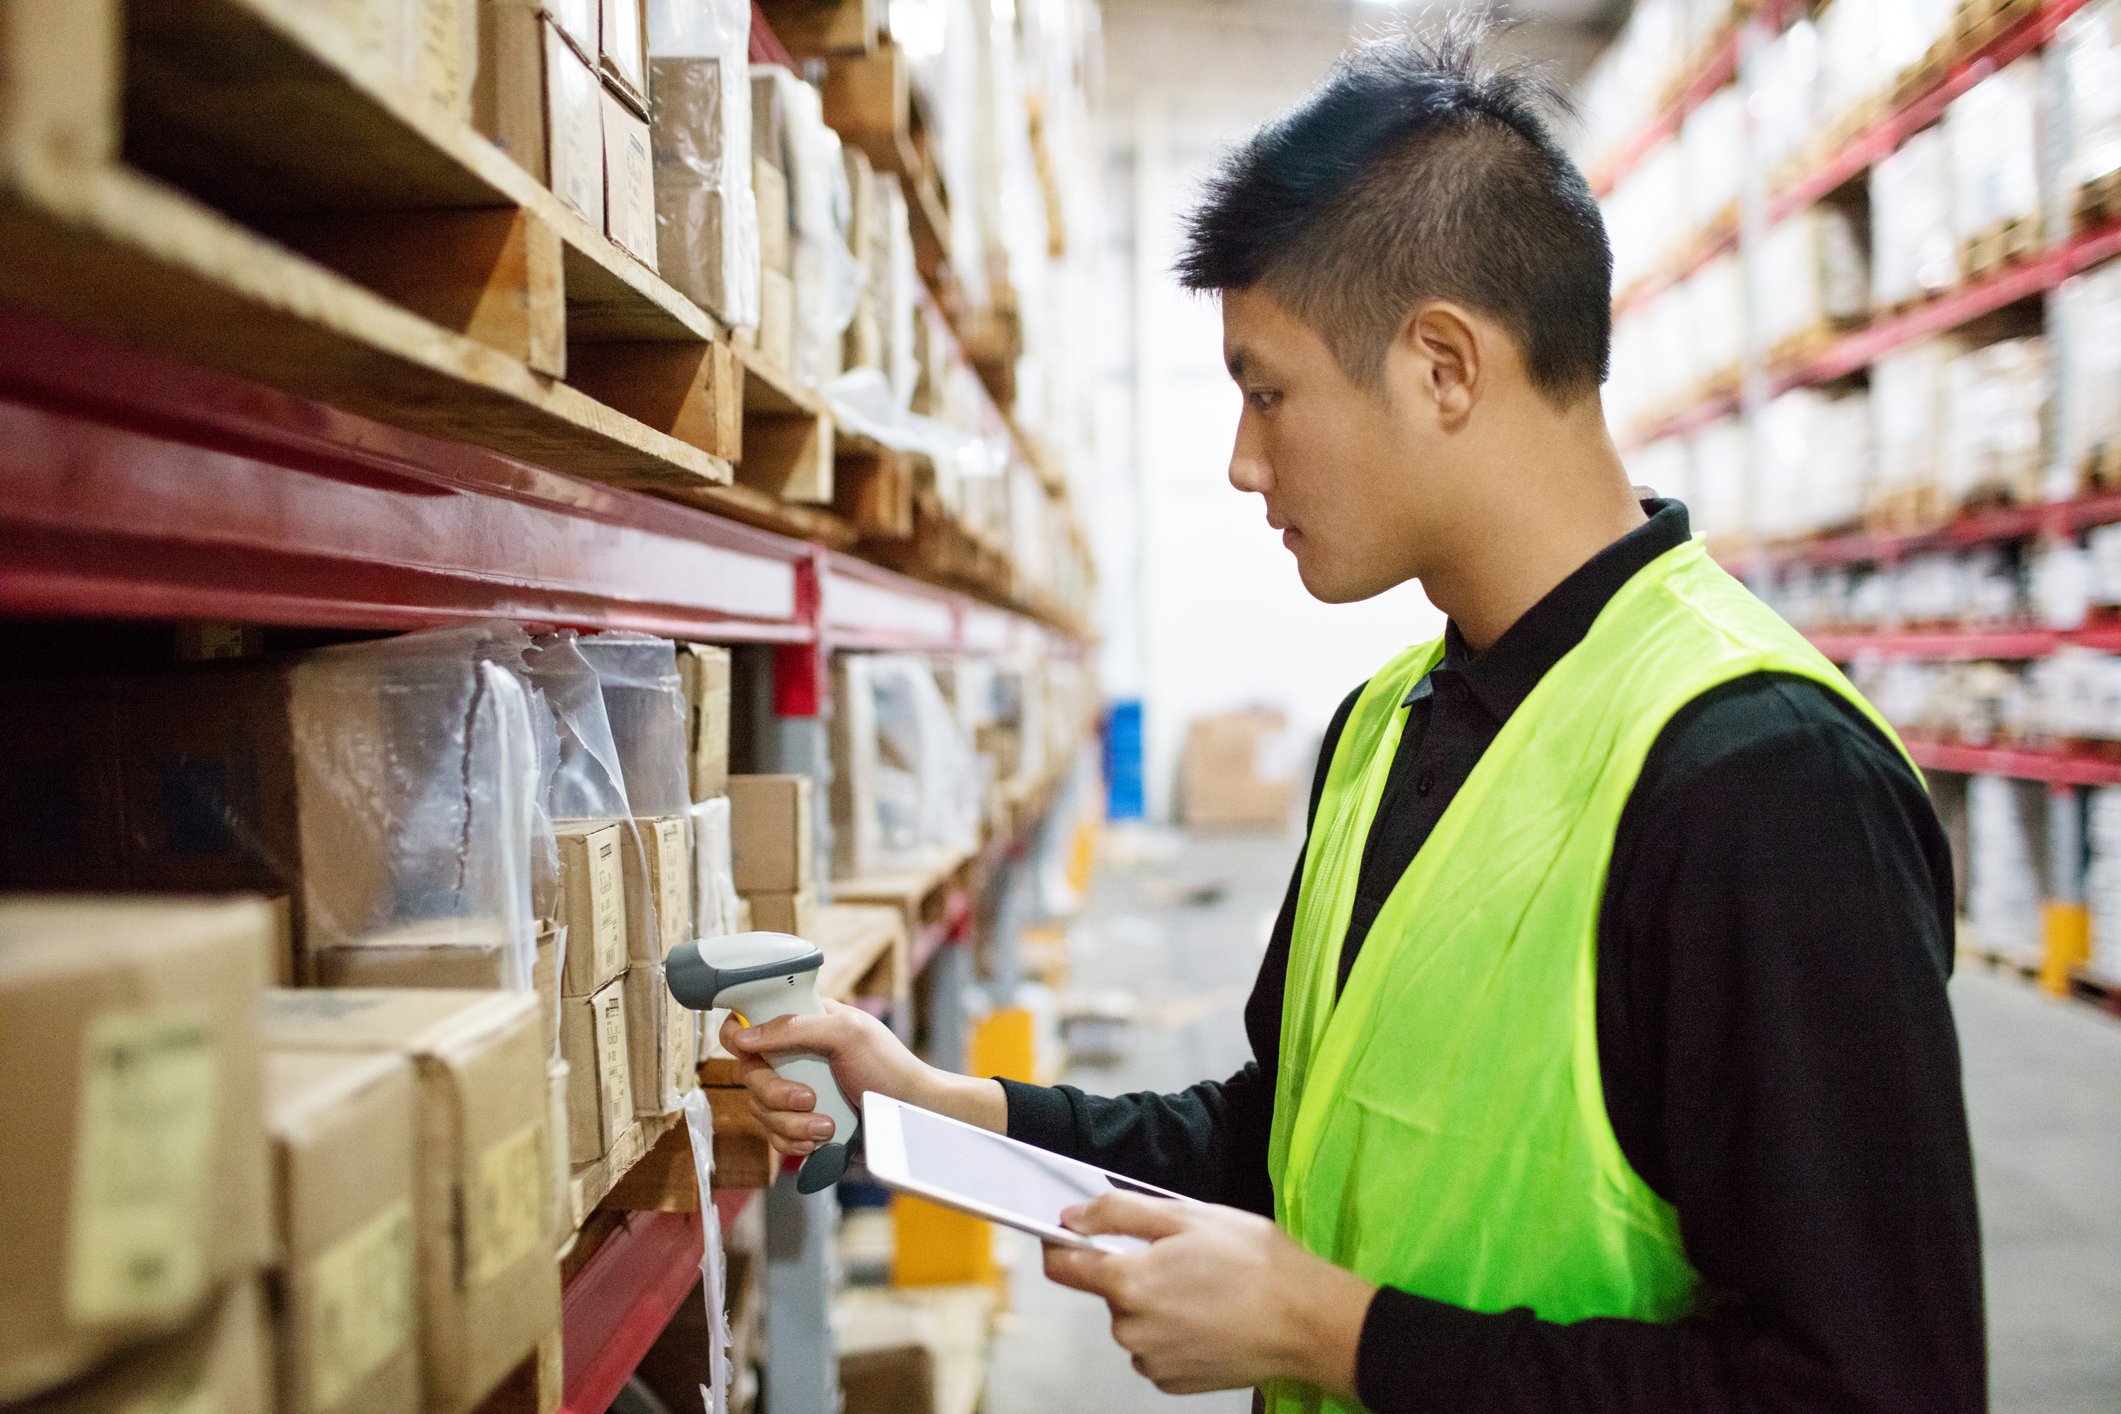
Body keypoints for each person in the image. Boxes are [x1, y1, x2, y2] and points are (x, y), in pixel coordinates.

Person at [721, 18, 1986, 1413]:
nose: (1241, 460)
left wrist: (1337, 1338)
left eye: (1268, 393)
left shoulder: (1759, 782)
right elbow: (1287, 1140)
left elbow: (1872, 1383)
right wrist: (943, 1111)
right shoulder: (1390, 726)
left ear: (1442, 366)